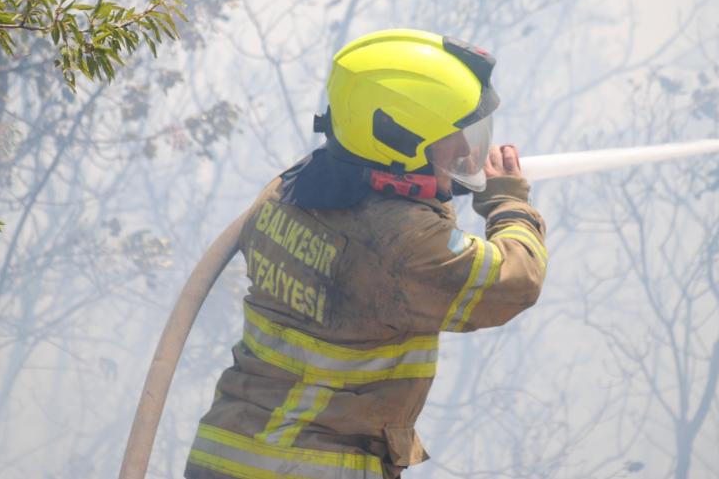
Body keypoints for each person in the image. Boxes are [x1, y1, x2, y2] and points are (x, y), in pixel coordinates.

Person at [184, 29, 548, 479]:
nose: (467, 150)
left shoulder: (287, 190)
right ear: (398, 138)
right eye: (454, 137)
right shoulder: (405, 245)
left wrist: (433, 188)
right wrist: (508, 201)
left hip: (224, 455)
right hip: (310, 468)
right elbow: (514, 283)